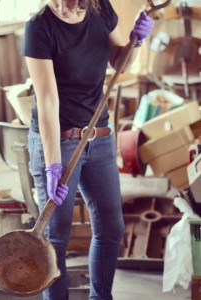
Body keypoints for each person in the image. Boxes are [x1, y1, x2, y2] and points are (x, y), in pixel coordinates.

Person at [21, 1, 154, 299]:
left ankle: (100, 296)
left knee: (111, 227)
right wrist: (53, 164)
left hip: (99, 137)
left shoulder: (101, 10)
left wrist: (137, 40)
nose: (61, 6)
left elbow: (120, 62)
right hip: (59, 141)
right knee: (55, 238)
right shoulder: (39, 27)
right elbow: (47, 102)